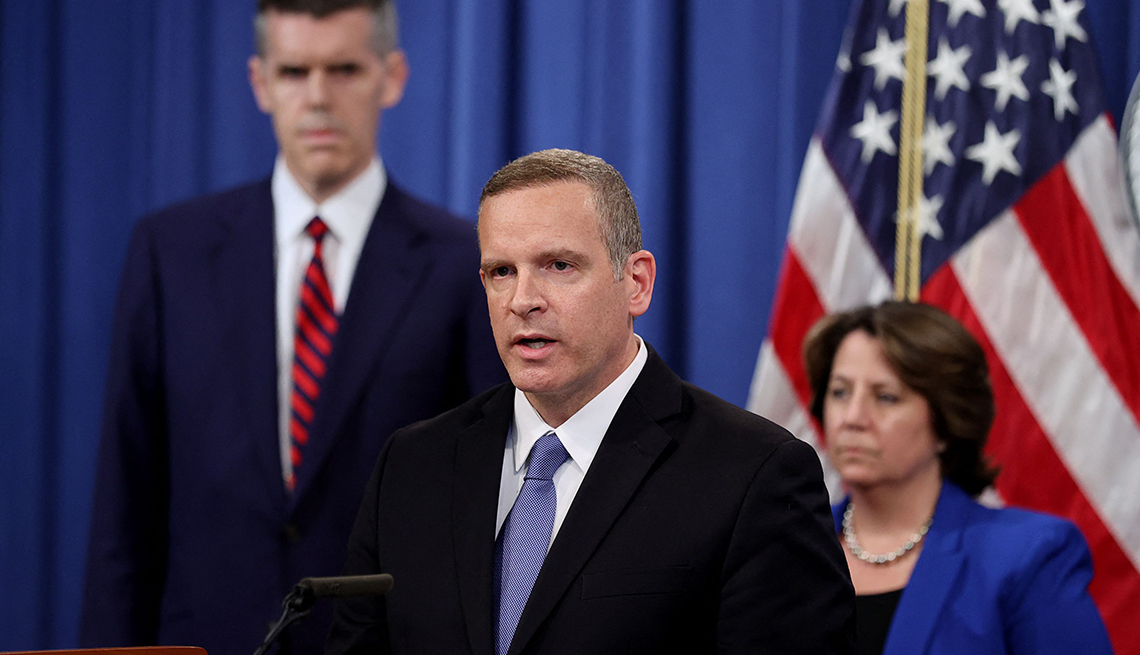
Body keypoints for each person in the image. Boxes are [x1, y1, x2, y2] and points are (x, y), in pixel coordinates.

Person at [80, 1, 505, 654]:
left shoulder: (462, 263)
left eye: (343, 69)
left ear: (392, 77)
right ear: (259, 83)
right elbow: (125, 505)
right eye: (294, 71)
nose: (318, 97)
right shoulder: (170, 252)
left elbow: (485, 504)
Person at [326, 148, 855, 654]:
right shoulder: (414, 465)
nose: (523, 301)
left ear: (637, 283)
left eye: (559, 265)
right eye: (501, 272)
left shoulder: (752, 475)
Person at [803, 301, 1113, 655]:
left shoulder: (1026, 557)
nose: (853, 417)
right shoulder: (784, 546)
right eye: (840, 392)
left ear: (946, 425)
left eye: (886, 397)